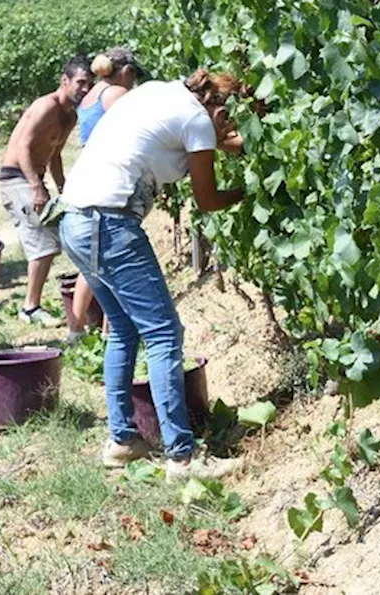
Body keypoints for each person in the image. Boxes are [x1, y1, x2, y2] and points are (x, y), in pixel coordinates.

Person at [58, 69, 246, 482]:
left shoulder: (160, 93)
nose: (228, 127)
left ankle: (122, 440)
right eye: (228, 118)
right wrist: (254, 190)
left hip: (74, 219)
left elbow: (203, 140)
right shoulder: (197, 121)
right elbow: (209, 199)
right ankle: (182, 457)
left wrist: (227, 142)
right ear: (216, 106)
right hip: (110, 224)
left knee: (124, 329)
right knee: (163, 334)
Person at [0, 55, 93, 326]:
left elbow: (55, 155)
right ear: (65, 81)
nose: (85, 89)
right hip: (16, 178)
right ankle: (30, 308)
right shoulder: (46, 107)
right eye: (80, 82)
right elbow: (22, 149)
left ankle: (35, 304)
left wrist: (64, 188)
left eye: (89, 84)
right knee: (44, 242)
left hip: (32, 178)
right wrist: (36, 187)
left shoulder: (70, 115)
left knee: (55, 235)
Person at [67, 47, 145, 340]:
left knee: (93, 261)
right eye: (133, 76)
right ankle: (105, 329)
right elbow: (133, 132)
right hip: (108, 179)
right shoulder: (115, 95)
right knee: (105, 256)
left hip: (88, 175)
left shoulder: (90, 96)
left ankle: (90, 327)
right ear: (125, 72)